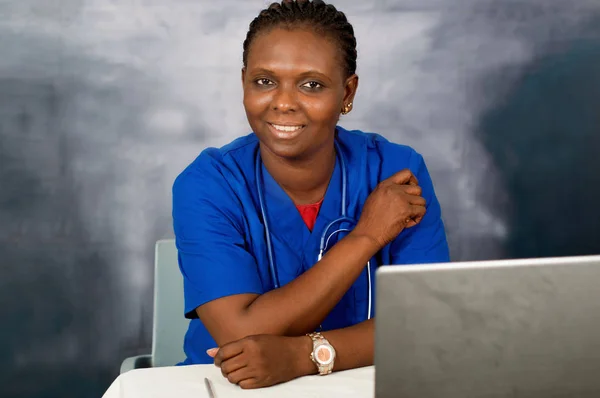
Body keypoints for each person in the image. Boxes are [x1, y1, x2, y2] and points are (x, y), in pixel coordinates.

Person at [172, 0, 450, 389]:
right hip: (230, 387)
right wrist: (367, 236)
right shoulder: (208, 183)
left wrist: (305, 355)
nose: (283, 102)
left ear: (347, 92)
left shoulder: (394, 171)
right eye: (265, 81)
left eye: (312, 85)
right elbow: (240, 336)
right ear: (244, 84)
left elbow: (428, 321)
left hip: (368, 383)